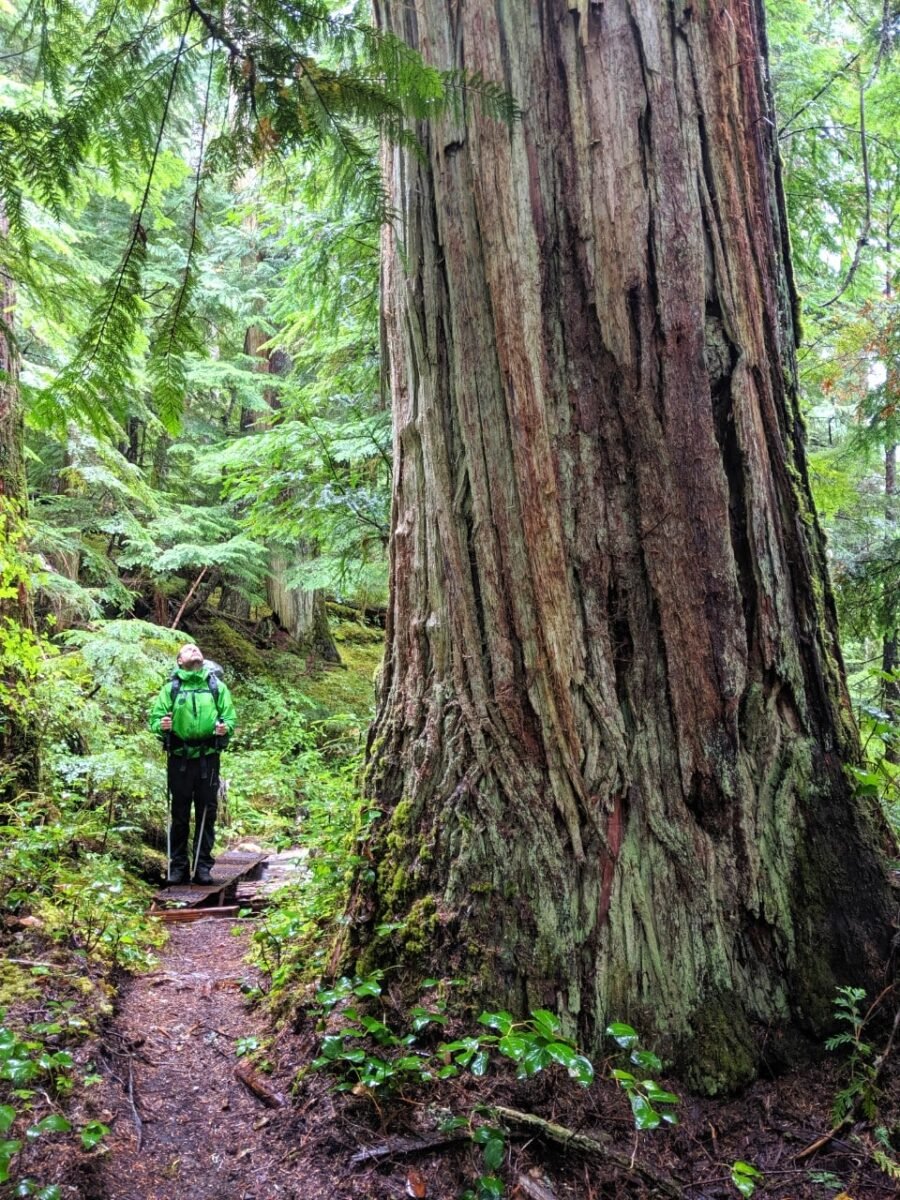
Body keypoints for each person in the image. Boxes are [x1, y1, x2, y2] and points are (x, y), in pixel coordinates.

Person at [149, 643, 237, 885]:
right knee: (179, 813)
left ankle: (202, 867)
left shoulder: (216, 687)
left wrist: (224, 727)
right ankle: (178, 867)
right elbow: (155, 719)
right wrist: (162, 726)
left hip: (208, 758)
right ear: (179, 661)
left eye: (197, 648)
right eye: (188, 650)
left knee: (206, 812)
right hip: (179, 758)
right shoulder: (171, 689)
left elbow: (229, 717)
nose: (194, 650)